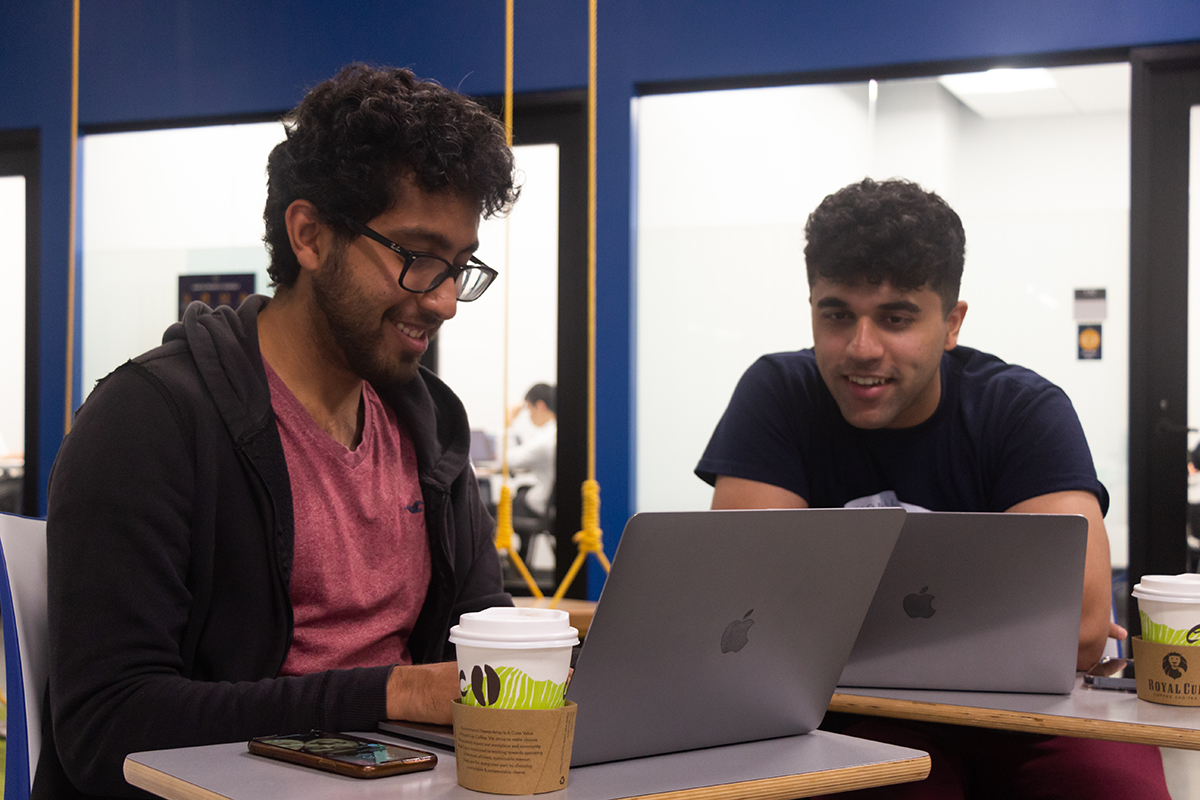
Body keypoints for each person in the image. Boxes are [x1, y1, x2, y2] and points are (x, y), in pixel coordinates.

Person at [39, 64, 518, 799]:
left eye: (460, 267)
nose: (447, 301)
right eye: (420, 259)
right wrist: (386, 694)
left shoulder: (430, 426)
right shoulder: (147, 422)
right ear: (309, 235)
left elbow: (479, 639)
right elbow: (107, 724)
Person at [695, 178, 1170, 799]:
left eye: (896, 319)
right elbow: (740, 617)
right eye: (836, 314)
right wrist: (995, 631)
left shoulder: (1023, 411)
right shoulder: (778, 396)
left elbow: (1078, 630)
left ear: (951, 323)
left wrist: (823, 629)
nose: (861, 349)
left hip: (1036, 718)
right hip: (851, 719)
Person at [506, 383, 557, 520]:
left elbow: (508, 460)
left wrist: (509, 421)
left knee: (490, 510)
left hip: (541, 505)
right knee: (522, 491)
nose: (529, 416)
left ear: (540, 406)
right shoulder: (556, 433)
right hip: (553, 503)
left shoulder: (545, 439)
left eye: (529, 409)